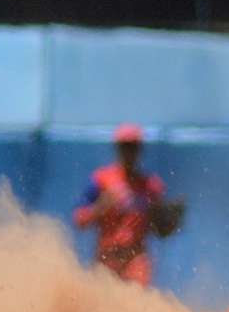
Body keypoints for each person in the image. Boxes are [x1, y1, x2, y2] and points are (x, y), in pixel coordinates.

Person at [72, 123, 170, 287]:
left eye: (133, 147)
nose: (129, 152)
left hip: (136, 257)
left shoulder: (152, 186)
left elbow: (162, 229)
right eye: (125, 147)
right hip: (106, 256)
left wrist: (167, 221)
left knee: (135, 297)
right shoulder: (101, 180)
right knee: (102, 305)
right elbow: (79, 220)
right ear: (117, 149)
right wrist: (100, 207)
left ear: (140, 150)